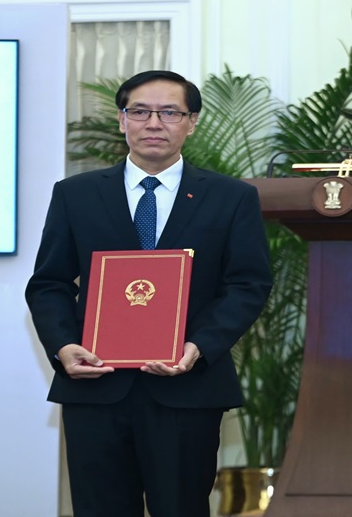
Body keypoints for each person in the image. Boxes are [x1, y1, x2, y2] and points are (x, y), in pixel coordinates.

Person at [26, 70, 273, 517]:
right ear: (122, 120)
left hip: (188, 388)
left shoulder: (232, 197)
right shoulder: (75, 194)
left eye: (170, 112)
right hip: (95, 387)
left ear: (191, 122)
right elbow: (49, 283)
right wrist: (63, 346)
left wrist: (199, 346)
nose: (154, 123)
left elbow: (247, 284)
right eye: (140, 111)